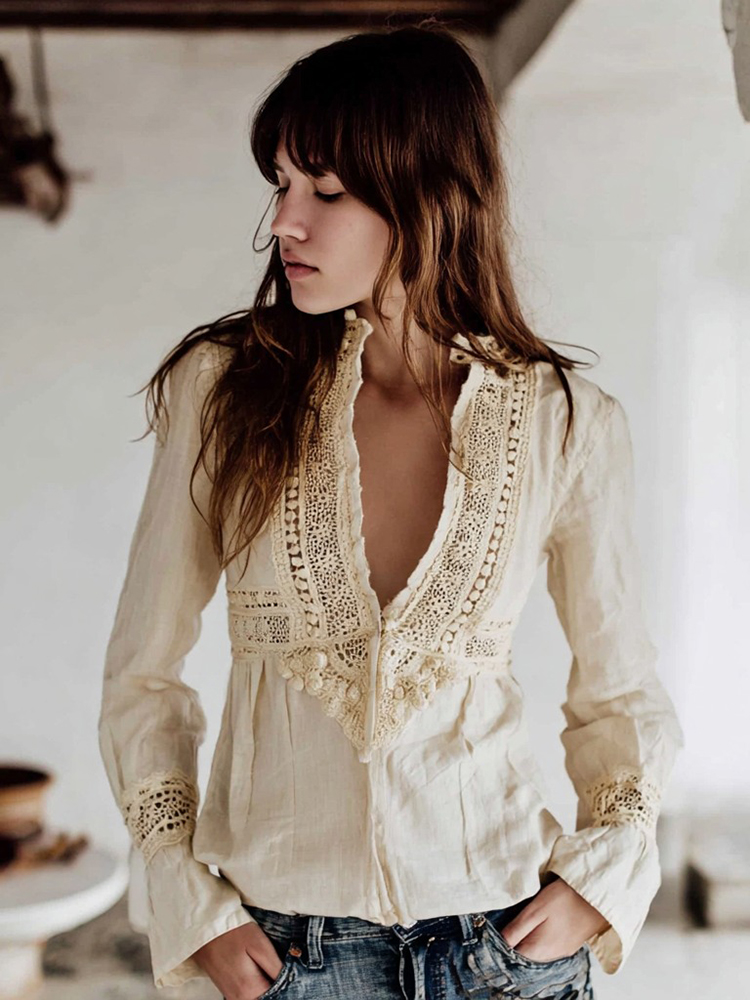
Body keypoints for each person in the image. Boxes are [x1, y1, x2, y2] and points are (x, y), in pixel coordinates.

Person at [97, 21, 685, 1000]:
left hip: (502, 942)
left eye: (325, 191)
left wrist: (605, 874)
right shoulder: (225, 390)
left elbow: (620, 693)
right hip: (283, 954)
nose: (286, 222)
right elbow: (142, 674)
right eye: (282, 184)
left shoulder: (564, 420)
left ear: (430, 196)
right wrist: (184, 895)